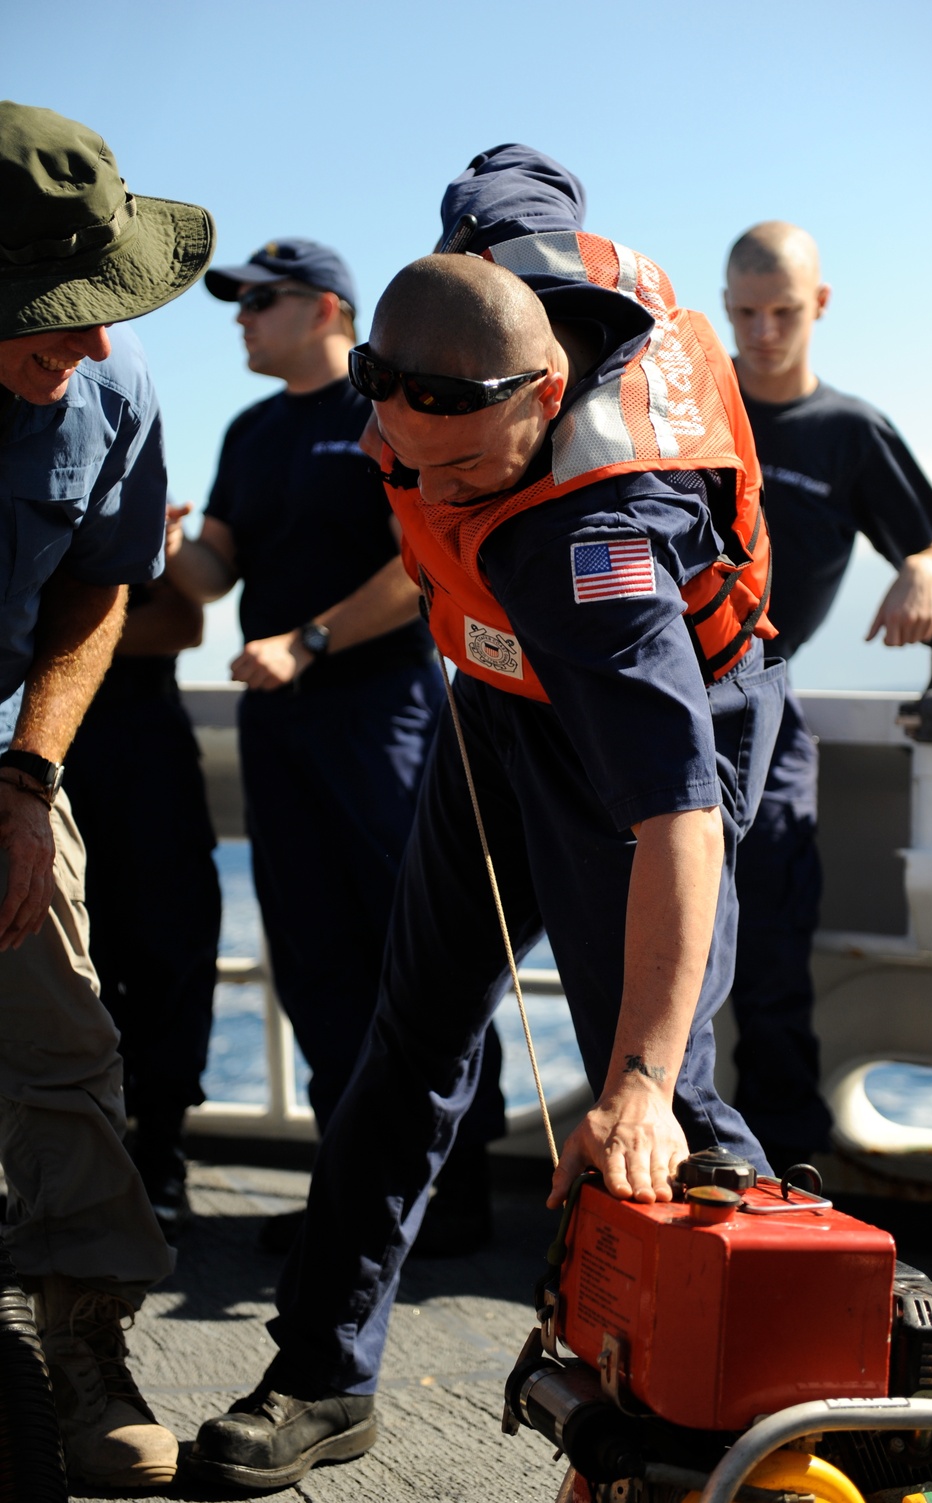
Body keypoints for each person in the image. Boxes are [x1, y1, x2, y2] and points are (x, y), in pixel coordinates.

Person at [190, 145, 785, 1493]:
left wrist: (630, 1081)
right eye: (412, 462)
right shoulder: (488, 269)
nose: (437, 495)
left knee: (666, 1093)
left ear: (547, 394)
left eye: (470, 475)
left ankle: (722, 1427)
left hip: (640, 726)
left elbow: (679, 813)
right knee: (409, 1031)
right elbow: (519, 170)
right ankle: (322, 1374)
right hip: (500, 702)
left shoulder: (594, 553)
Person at [165, 238, 505, 1255]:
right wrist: (156, 538)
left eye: (257, 302)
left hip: (380, 715)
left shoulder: (388, 413)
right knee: (312, 954)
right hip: (284, 724)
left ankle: (452, 1194)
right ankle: (351, 1193)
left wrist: (308, 642)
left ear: (323, 309)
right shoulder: (252, 430)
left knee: (415, 951)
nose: (239, 318)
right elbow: (212, 575)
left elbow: (425, 562)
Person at [0, 100, 214, 1487]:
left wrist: (27, 780)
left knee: (65, 1031)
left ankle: (85, 1338)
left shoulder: (116, 389)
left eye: (105, 303)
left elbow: (98, 585)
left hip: (2, 755)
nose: (92, 341)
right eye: (54, 311)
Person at [723, 220, 932, 1171]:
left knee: (774, 938)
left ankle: (784, 1167)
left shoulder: (849, 431)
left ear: (818, 306)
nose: (764, 332)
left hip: (766, 700)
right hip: (657, 696)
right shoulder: (695, 412)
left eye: (783, 312)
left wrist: (920, 574)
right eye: (744, 313)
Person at [61, 573, 222, 1237]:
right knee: (58, 956)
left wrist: (48, 637)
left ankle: (160, 1153)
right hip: (40, 744)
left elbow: (182, 623)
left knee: (169, 947)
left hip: (139, 735)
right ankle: (74, 1158)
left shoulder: (131, 487)